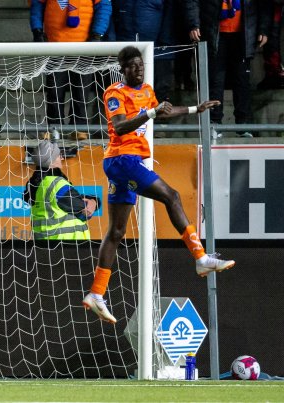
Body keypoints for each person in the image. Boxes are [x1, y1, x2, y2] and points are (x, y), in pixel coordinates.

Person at [86, 45, 235, 324]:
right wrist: (151, 114)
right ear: (123, 69)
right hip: (123, 159)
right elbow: (120, 126)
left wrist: (195, 108)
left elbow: (162, 111)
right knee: (172, 196)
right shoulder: (115, 93)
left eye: (140, 64)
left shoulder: (146, 90)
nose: (138, 69)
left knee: (116, 231)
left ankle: (96, 293)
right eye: (132, 65)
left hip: (126, 163)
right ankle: (200, 258)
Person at [184, 0, 271, 138]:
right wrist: (193, 24)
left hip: (244, 33)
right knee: (215, 81)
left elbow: (264, 4)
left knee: (242, 81)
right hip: (213, 30)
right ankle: (214, 124)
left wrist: (263, 29)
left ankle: (244, 126)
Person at [30, 0, 112, 141]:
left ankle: (79, 128)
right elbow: (37, 4)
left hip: (84, 46)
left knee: (81, 90)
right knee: (54, 90)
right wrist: (37, 30)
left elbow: (104, 6)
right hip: (54, 46)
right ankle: (54, 127)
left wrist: (97, 34)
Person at [23, 140, 98, 240]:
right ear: (52, 161)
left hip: (45, 244)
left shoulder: (35, 184)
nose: (62, 158)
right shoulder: (58, 185)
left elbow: (71, 202)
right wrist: (94, 201)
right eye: (59, 155)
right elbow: (85, 211)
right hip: (68, 244)